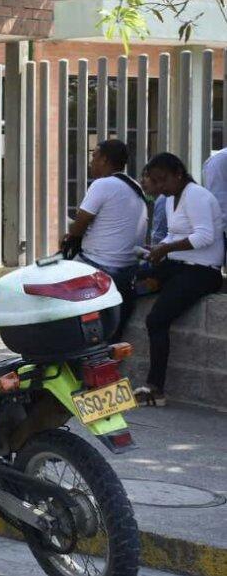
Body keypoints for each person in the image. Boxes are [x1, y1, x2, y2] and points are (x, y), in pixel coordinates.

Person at [138, 152, 225, 407]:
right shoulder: (170, 199)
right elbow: (172, 236)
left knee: (157, 319)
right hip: (177, 265)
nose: (160, 186)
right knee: (127, 284)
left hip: (202, 271)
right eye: (155, 181)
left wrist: (166, 249)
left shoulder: (196, 195)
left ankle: (156, 388)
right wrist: (153, 249)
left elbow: (205, 237)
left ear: (178, 174)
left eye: (163, 180)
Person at [62, 139, 147, 337]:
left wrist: (71, 233)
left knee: (55, 292)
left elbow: (79, 225)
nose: (91, 162)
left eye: (94, 157)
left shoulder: (103, 184)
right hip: (128, 270)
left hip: (98, 265)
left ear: (105, 160)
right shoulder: (134, 186)